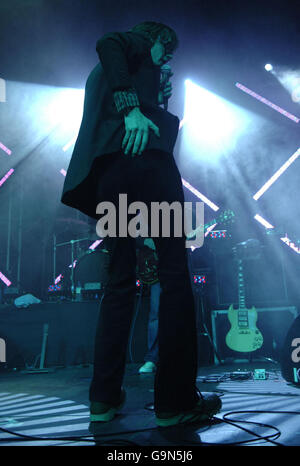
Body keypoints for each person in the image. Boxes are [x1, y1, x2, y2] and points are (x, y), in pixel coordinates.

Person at [61, 21, 221, 427]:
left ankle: (103, 399)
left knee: (118, 282)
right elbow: (107, 40)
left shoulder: (118, 77)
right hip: (147, 166)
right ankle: (174, 401)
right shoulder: (131, 46)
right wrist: (134, 107)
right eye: (165, 53)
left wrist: (151, 101)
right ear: (157, 40)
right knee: (174, 275)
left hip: (113, 177)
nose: (165, 61)